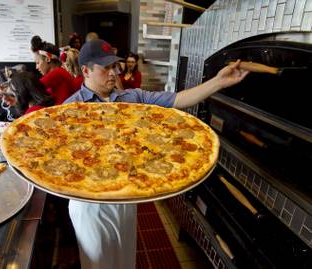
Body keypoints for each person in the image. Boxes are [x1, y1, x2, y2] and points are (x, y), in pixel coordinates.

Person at [64, 39, 250, 269]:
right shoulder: (68, 111)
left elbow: (178, 99)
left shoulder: (132, 98)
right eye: (105, 68)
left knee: (124, 260)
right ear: (85, 70)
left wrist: (218, 82)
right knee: (98, 263)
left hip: (126, 196)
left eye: (115, 66)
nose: (113, 73)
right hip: (89, 202)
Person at [30, 35, 76, 104]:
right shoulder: (60, 71)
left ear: (48, 59)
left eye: (38, 63)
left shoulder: (58, 73)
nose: (36, 67)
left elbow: (29, 88)